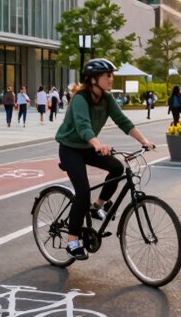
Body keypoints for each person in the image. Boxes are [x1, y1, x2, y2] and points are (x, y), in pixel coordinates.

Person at [56, 59, 154, 260]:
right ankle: (72, 242)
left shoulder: (107, 98)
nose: (111, 78)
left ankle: (97, 206)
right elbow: (83, 126)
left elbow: (123, 121)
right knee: (82, 192)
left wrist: (144, 141)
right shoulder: (80, 99)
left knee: (117, 168)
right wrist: (97, 144)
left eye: (112, 75)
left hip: (88, 147)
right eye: (107, 75)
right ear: (93, 79)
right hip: (70, 149)